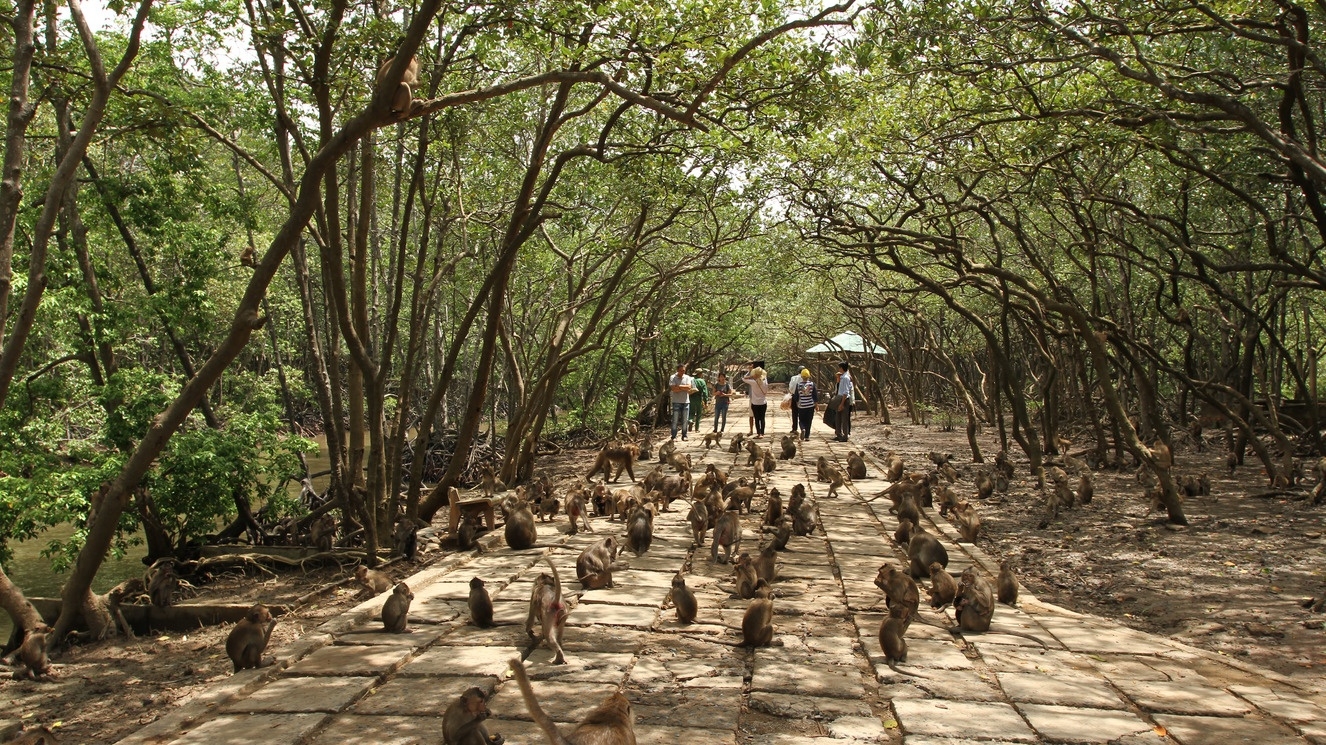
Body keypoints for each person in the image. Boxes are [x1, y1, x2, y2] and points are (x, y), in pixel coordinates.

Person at [833, 361, 864, 442]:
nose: (838, 369)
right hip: (839, 398)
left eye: (839, 367)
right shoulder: (842, 377)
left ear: (842, 368)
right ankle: (838, 434)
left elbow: (846, 392)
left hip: (844, 399)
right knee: (838, 417)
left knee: (844, 418)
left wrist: (842, 403)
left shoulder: (846, 378)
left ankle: (845, 435)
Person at [668, 363, 696, 440]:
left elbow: (689, 387)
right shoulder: (673, 377)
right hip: (676, 401)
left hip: (686, 402)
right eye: (680, 370)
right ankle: (674, 436)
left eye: (683, 370)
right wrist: (683, 388)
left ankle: (684, 435)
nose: (682, 372)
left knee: (685, 420)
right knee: (675, 420)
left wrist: (679, 386)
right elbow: (673, 389)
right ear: (677, 370)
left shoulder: (687, 377)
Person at [791, 368, 819, 441]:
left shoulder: (798, 385)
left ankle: (802, 428)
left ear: (801, 376)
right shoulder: (812, 384)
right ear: (809, 376)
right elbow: (815, 396)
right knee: (809, 421)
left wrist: (797, 402)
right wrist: (816, 405)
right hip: (810, 406)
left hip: (802, 406)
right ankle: (807, 436)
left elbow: (796, 397)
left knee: (801, 420)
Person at [743, 366, 770, 437]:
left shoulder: (753, 382)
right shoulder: (765, 381)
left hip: (755, 403)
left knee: (757, 419)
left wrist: (750, 375)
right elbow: (764, 377)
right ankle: (762, 433)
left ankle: (758, 433)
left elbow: (743, 378)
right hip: (763, 402)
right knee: (762, 418)